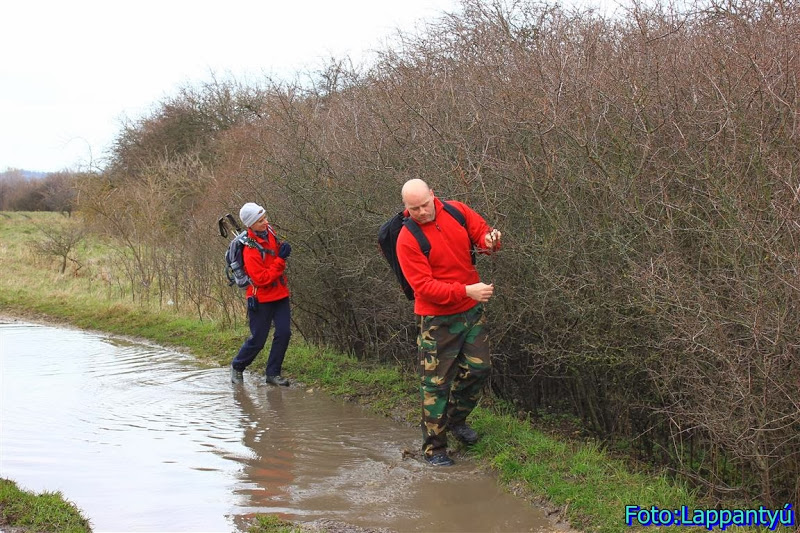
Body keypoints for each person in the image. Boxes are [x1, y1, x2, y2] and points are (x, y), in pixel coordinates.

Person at [396, 178, 502, 466]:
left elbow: (482, 236)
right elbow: (424, 288)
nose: (421, 212)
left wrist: (491, 240)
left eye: (425, 205)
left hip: (471, 311)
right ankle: (434, 448)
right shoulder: (407, 238)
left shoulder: (456, 211)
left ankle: (456, 421)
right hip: (437, 319)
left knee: (480, 368)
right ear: (406, 207)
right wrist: (465, 290)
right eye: (414, 208)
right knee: (435, 384)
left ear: (433, 195)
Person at [230, 202, 293, 387]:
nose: (266, 222)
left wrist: (281, 248)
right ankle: (237, 366)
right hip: (260, 298)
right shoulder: (250, 249)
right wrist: (281, 259)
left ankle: (272, 374)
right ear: (251, 225)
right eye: (260, 221)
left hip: (280, 294)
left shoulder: (270, 232)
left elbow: (273, 254)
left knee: (284, 333)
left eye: (265, 217)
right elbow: (261, 279)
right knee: (258, 339)